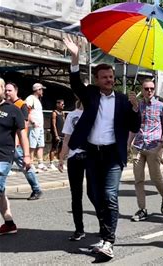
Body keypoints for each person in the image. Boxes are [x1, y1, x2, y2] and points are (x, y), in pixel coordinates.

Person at [64, 36, 141, 260]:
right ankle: (104, 231)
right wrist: (76, 56)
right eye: (104, 77)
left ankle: (108, 241)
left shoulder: (124, 100)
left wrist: (136, 109)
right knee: (95, 194)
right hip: (92, 153)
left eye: (111, 77)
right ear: (96, 80)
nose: (109, 80)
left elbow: (134, 125)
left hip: (112, 154)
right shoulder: (89, 95)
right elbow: (75, 83)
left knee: (109, 195)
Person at [128, 79, 163, 221]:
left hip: (154, 146)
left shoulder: (160, 106)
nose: (149, 91)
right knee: (138, 180)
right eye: (146, 88)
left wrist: (162, 141)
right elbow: (133, 125)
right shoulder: (137, 105)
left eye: (152, 88)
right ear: (142, 89)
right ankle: (142, 209)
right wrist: (128, 144)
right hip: (138, 146)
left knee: (155, 177)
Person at [0, 77, 31, 235]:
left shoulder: (13, 110)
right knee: (0, 192)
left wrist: (26, 156)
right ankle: (9, 223)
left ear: (2, 89)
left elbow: (22, 134)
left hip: (3, 157)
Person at [4, 82, 43, 200]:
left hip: (17, 143)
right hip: (6, 143)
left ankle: (36, 189)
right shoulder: (5, 105)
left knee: (26, 167)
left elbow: (23, 125)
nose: (7, 93)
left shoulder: (21, 105)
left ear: (16, 91)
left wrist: (17, 141)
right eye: (5, 90)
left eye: (9, 90)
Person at [58, 99, 87, 241]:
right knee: (76, 195)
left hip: (92, 155)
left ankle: (104, 227)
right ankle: (79, 229)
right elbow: (66, 139)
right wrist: (61, 158)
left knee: (95, 193)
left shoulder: (96, 112)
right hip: (75, 156)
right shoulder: (72, 115)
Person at [25, 82, 47, 172]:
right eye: (41, 89)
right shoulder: (31, 98)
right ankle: (30, 163)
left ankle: (40, 163)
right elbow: (26, 110)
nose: (42, 91)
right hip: (34, 126)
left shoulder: (38, 100)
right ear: (38, 90)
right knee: (32, 145)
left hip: (40, 126)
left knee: (41, 145)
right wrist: (33, 122)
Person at [49, 99, 65, 170]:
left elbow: (64, 123)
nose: (63, 106)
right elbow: (54, 125)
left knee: (61, 149)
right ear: (58, 104)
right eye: (62, 104)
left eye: (63, 104)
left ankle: (60, 163)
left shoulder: (63, 113)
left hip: (62, 133)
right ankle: (51, 163)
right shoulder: (54, 113)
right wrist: (56, 135)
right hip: (57, 134)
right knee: (54, 148)